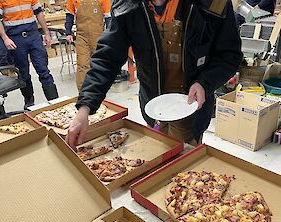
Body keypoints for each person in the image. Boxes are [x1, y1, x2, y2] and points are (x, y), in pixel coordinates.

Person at [66, 0, 243, 150]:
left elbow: (229, 55)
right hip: (153, 106)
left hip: (193, 107)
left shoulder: (212, 4)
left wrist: (205, 82)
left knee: (185, 176)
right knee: (157, 158)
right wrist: (85, 109)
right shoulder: (127, 5)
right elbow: (107, 58)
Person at [0, 0, 59, 109]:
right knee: (23, 74)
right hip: (16, 38)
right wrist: (5, 38)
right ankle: (29, 103)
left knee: (43, 70)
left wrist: (46, 32)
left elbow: (38, 12)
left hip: (33, 36)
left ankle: (55, 103)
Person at [65, 0, 111, 90]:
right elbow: (69, 14)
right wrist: (68, 32)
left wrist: (110, 35)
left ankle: (99, 91)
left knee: (99, 64)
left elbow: (108, 17)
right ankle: (83, 94)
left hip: (98, 36)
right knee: (82, 65)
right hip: (82, 36)